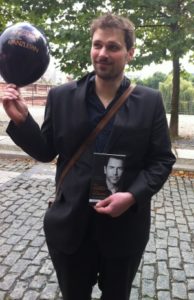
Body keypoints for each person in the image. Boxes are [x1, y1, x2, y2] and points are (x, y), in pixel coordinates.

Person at [2, 13, 176, 300]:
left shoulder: (150, 101)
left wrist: (132, 196)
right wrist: (23, 122)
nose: (103, 53)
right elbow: (46, 152)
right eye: (97, 45)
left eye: (113, 47)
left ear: (129, 53)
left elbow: (162, 160)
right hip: (70, 228)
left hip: (124, 229)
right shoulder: (61, 96)